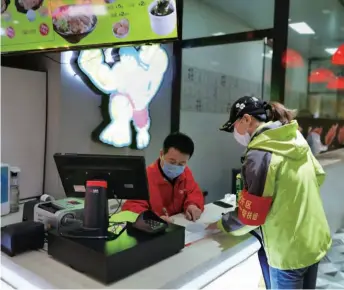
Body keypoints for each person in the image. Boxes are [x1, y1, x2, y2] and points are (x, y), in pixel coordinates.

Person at [207, 96, 331, 289]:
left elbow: (251, 216)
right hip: (313, 239)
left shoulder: (259, 154)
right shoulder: (294, 137)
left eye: (234, 126)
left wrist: (222, 225)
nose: (235, 133)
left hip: (287, 250)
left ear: (247, 119)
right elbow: (318, 176)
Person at [122, 132, 204, 222]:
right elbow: (132, 207)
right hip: (155, 230)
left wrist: (192, 205)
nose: (176, 167)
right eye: (172, 162)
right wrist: (152, 218)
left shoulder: (185, 172)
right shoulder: (145, 177)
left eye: (181, 163)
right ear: (161, 154)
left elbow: (194, 192)